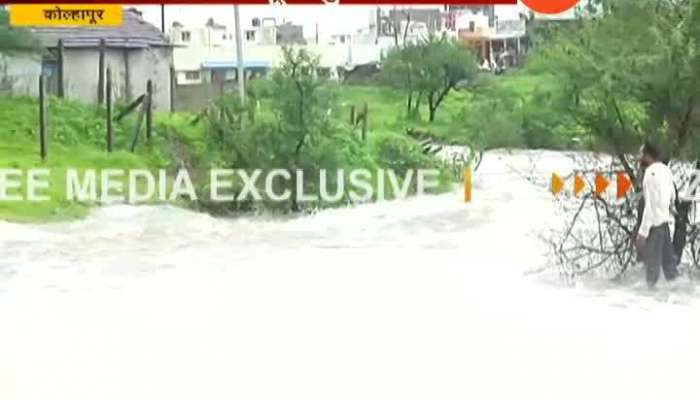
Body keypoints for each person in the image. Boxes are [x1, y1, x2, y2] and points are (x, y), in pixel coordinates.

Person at [636, 142, 679, 288]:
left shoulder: (650, 173)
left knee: (652, 272)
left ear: (648, 155)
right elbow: (672, 195)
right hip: (665, 222)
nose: (639, 157)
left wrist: (643, 232)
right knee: (669, 268)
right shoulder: (666, 170)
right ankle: (679, 297)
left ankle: (649, 303)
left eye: (641, 154)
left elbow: (650, 206)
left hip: (655, 225)